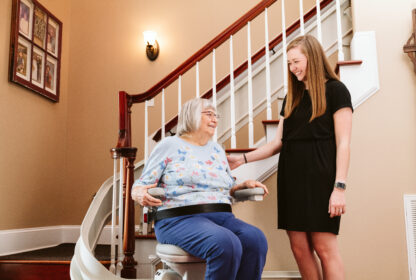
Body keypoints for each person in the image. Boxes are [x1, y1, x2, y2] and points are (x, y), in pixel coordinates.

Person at [227, 35, 353, 280]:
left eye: (296, 61)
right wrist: (242, 159)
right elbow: (277, 144)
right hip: (291, 179)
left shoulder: (337, 90)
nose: (293, 68)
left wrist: (339, 187)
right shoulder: (291, 97)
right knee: (299, 248)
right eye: (289, 64)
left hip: (321, 177)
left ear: (313, 58)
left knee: (324, 247)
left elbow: (344, 143)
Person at [131, 97, 269, 280]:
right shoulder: (169, 145)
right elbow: (141, 184)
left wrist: (241, 186)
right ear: (190, 116)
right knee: (226, 243)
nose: (215, 119)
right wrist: (138, 192)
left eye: (216, 115)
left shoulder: (217, 150)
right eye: (208, 114)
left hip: (222, 217)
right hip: (178, 219)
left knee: (255, 239)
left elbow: (224, 186)